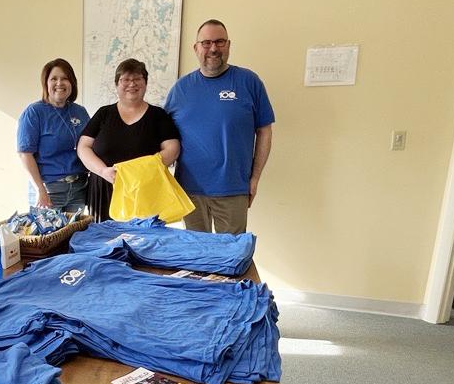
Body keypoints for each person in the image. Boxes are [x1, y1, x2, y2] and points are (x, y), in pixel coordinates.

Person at [165, 19, 274, 234]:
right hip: (189, 190)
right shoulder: (180, 88)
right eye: (206, 43)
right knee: (197, 258)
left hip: (233, 189)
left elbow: (264, 131)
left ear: (229, 45)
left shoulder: (249, 82)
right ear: (196, 48)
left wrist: (255, 178)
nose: (213, 48)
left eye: (219, 42)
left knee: (230, 258)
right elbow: (163, 136)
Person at [77, 59, 180, 222]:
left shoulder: (158, 115)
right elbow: (83, 146)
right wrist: (103, 171)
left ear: (145, 83)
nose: (132, 84)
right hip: (105, 190)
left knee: (142, 244)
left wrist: (140, 172)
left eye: (137, 79)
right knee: (103, 244)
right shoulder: (104, 113)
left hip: (144, 193)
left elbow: (172, 148)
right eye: (125, 79)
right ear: (117, 84)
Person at [16, 59, 90, 212]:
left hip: (78, 188)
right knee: (50, 236)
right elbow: (25, 154)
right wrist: (40, 189)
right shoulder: (34, 112)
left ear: (72, 83)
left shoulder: (80, 112)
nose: (59, 83)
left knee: (75, 235)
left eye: (65, 78)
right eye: (54, 79)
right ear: (46, 83)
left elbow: (90, 146)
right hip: (49, 191)